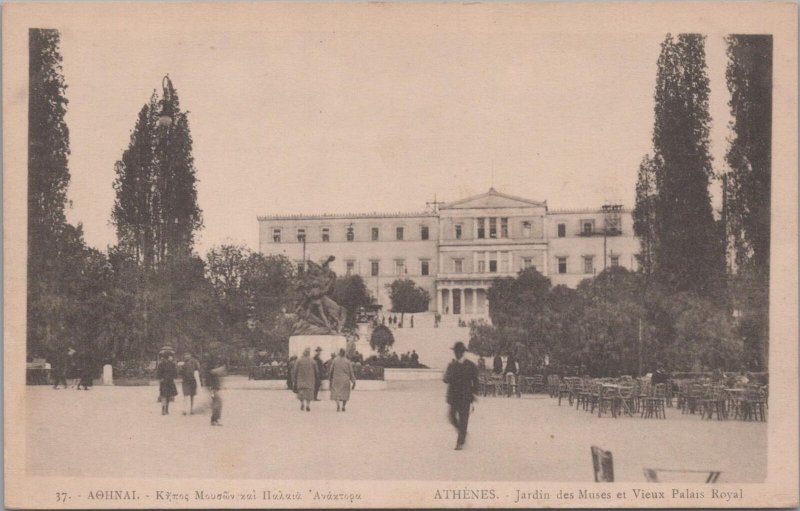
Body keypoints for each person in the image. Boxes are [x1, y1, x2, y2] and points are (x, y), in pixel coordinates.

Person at [443, 342, 479, 450]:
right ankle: (462, 433)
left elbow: (475, 380)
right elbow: (445, 379)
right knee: (452, 418)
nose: (456, 354)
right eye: (455, 352)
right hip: (454, 397)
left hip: (465, 397)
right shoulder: (452, 365)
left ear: (462, 352)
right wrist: (449, 373)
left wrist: (474, 394)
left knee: (463, 420)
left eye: (458, 351)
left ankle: (460, 442)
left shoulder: (471, 365)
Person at [205, 357, 225, 426]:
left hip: (214, 388)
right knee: (218, 402)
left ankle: (214, 419)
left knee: (216, 403)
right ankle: (215, 419)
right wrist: (221, 368)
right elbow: (213, 371)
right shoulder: (210, 370)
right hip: (212, 389)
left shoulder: (212, 370)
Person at [157, 351, 178, 415]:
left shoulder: (161, 364)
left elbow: (158, 374)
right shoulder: (172, 364)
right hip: (170, 381)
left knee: (163, 395)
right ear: (168, 357)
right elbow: (175, 374)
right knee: (168, 396)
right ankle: (166, 409)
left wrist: (160, 379)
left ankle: (163, 409)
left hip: (163, 381)